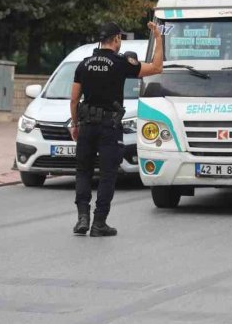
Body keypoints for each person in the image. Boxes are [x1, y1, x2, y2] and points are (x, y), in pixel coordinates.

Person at [69, 20, 164, 236]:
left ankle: (82, 218)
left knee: (83, 171)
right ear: (117, 39)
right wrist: (158, 38)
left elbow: (74, 100)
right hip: (109, 127)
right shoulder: (120, 63)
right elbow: (157, 67)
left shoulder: (83, 64)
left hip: (86, 126)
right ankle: (98, 223)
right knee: (107, 174)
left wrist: (75, 124)